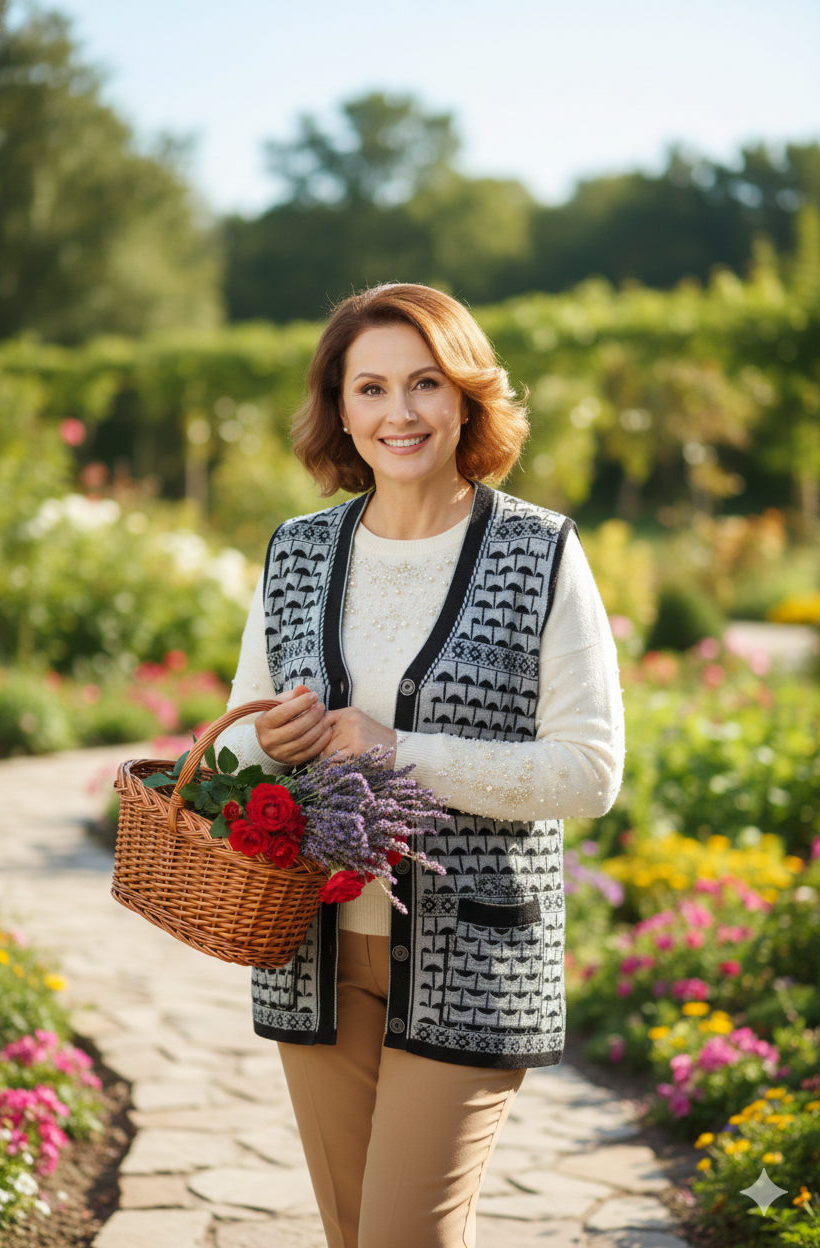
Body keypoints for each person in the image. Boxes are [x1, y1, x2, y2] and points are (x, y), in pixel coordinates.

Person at [215, 283, 625, 1248]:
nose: (398, 413)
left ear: (467, 398)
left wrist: (403, 752)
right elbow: (232, 735)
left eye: (425, 383)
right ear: (340, 406)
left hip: (474, 954)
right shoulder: (298, 552)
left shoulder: (539, 551)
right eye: (371, 388)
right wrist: (268, 743)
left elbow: (589, 770)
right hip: (309, 951)